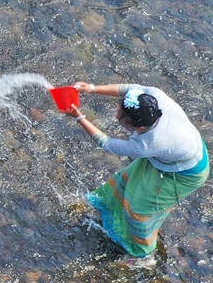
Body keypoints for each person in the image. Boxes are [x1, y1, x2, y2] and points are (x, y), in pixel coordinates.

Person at [62, 82, 208, 268]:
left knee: (140, 208)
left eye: (121, 115)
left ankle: (143, 254)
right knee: (127, 181)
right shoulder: (154, 97)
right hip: (172, 156)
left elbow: (106, 143)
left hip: (185, 174)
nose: (117, 111)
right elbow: (127, 88)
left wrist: (79, 117)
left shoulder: (149, 144)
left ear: (138, 129)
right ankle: (103, 206)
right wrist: (91, 88)